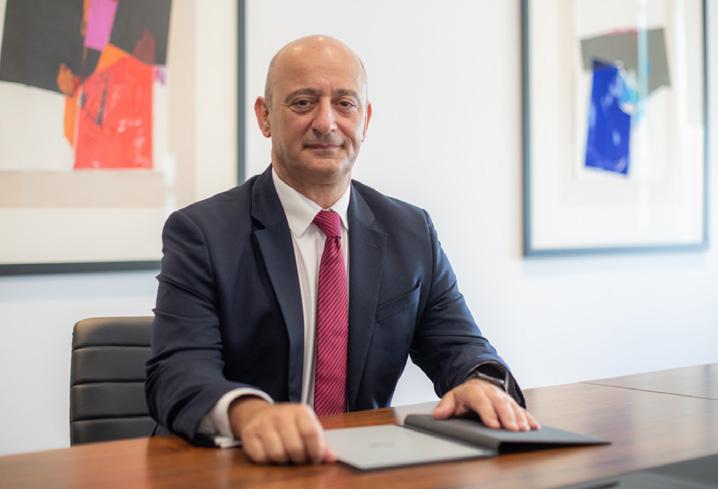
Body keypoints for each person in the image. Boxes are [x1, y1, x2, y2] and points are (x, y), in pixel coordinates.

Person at [145, 35, 539, 465]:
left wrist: (480, 383)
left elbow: (460, 346)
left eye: (345, 104)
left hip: (361, 465)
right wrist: (248, 414)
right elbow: (177, 371)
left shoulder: (411, 232)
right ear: (265, 116)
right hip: (237, 466)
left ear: (365, 119)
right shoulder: (202, 233)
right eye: (303, 103)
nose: (326, 123)